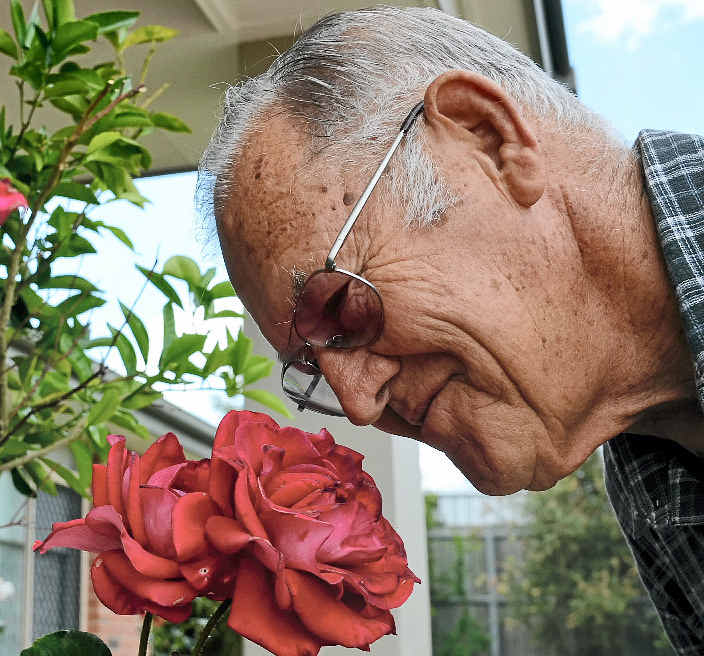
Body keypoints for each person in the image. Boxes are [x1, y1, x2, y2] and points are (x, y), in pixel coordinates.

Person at [196, 6, 704, 653]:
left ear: (487, 139)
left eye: (339, 310)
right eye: (313, 368)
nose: (356, 403)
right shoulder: (652, 464)